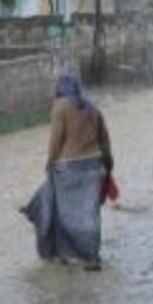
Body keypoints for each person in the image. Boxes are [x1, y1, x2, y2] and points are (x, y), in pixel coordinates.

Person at [21, 74, 114, 272]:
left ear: (60, 89)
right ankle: (91, 258)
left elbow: (55, 141)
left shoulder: (60, 107)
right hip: (92, 167)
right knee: (89, 214)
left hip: (68, 168)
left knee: (63, 213)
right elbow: (105, 142)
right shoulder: (92, 108)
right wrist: (108, 166)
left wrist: (49, 162)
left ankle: (63, 253)